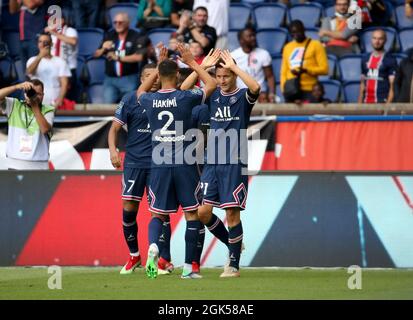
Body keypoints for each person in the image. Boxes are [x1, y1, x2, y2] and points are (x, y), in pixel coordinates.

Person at [137, 43, 216, 279]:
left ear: (159, 77)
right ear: (178, 75)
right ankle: (189, 268)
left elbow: (139, 92)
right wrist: (193, 61)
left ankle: (153, 247)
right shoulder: (185, 97)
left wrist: (156, 69)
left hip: (159, 164)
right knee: (192, 214)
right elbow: (211, 84)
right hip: (185, 163)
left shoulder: (149, 100)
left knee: (157, 215)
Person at [181, 50, 261, 278]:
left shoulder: (243, 97)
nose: (222, 81)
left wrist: (234, 67)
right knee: (203, 212)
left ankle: (233, 265)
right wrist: (202, 68)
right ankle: (233, 244)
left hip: (234, 163)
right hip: (212, 163)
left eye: (226, 76)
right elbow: (182, 93)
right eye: (219, 76)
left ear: (233, 75)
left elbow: (256, 88)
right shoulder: (212, 94)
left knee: (232, 214)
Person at [108, 62, 175, 275]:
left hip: (159, 164)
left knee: (161, 213)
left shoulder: (166, 98)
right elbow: (114, 129)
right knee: (128, 211)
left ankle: (163, 259)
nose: (154, 79)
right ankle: (134, 255)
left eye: (156, 75)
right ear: (141, 79)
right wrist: (113, 151)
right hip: (134, 163)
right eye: (149, 75)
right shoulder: (130, 99)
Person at [0, 80, 54, 170]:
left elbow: (45, 129)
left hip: (39, 166)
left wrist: (34, 105)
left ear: (43, 96)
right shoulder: (15, 105)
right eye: (32, 92)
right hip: (14, 163)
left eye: (38, 94)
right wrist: (17, 87)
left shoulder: (48, 110)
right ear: (25, 93)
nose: (35, 96)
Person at [94, 13, 144, 104]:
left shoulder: (136, 35)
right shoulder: (110, 35)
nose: (117, 25)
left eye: (120, 22)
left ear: (127, 23)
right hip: (110, 79)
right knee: (107, 106)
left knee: (129, 105)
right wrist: (103, 48)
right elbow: (96, 55)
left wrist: (118, 58)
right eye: (115, 22)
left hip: (129, 78)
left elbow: (139, 57)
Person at [281, 20, 329, 103]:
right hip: (292, 91)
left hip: (310, 90)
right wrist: (284, 89)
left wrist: (307, 70)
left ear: (304, 30)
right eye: (293, 33)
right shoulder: (287, 47)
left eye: (298, 31)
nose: (295, 35)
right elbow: (283, 72)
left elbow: (325, 69)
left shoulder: (316, 45)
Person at [26, 33, 71, 108]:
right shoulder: (31, 60)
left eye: (45, 42)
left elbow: (64, 84)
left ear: (51, 44)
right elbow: (29, 72)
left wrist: (59, 101)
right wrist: (40, 56)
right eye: (40, 42)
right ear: (37, 44)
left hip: (54, 104)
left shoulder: (61, 61)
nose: (43, 44)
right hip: (35, 103)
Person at [231, 27, 275, 103]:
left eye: (254, 35)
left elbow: (270, 76)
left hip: (260, 95)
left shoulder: (264, 54)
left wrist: (271, 94)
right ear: (241, 40)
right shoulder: (233, 56)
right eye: (249, 36)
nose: (253, 38)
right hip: (240, 94)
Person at [45, 12, 79, 102]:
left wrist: (54, 33)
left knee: (69, 99)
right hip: (54, 69)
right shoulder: (50, 35)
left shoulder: (70, 30)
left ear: (62, 20)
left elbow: (73, 41)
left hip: (69, 69)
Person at [358, 29, 397, 104]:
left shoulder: (390, 60)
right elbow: (362, 84)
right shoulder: (365, 59)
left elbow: (393, 87)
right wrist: (359, 105)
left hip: (381, 103)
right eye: (374, 38)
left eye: (380, 39)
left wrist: (387, 108)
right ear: (371, 40)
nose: (377, 41)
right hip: (366, 103)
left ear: (385, 40)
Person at [9, 0, 47, 73]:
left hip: (36, 38)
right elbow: (12, 10)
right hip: (22, 38)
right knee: (26, 71)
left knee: (36, 70)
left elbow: (31, 5)